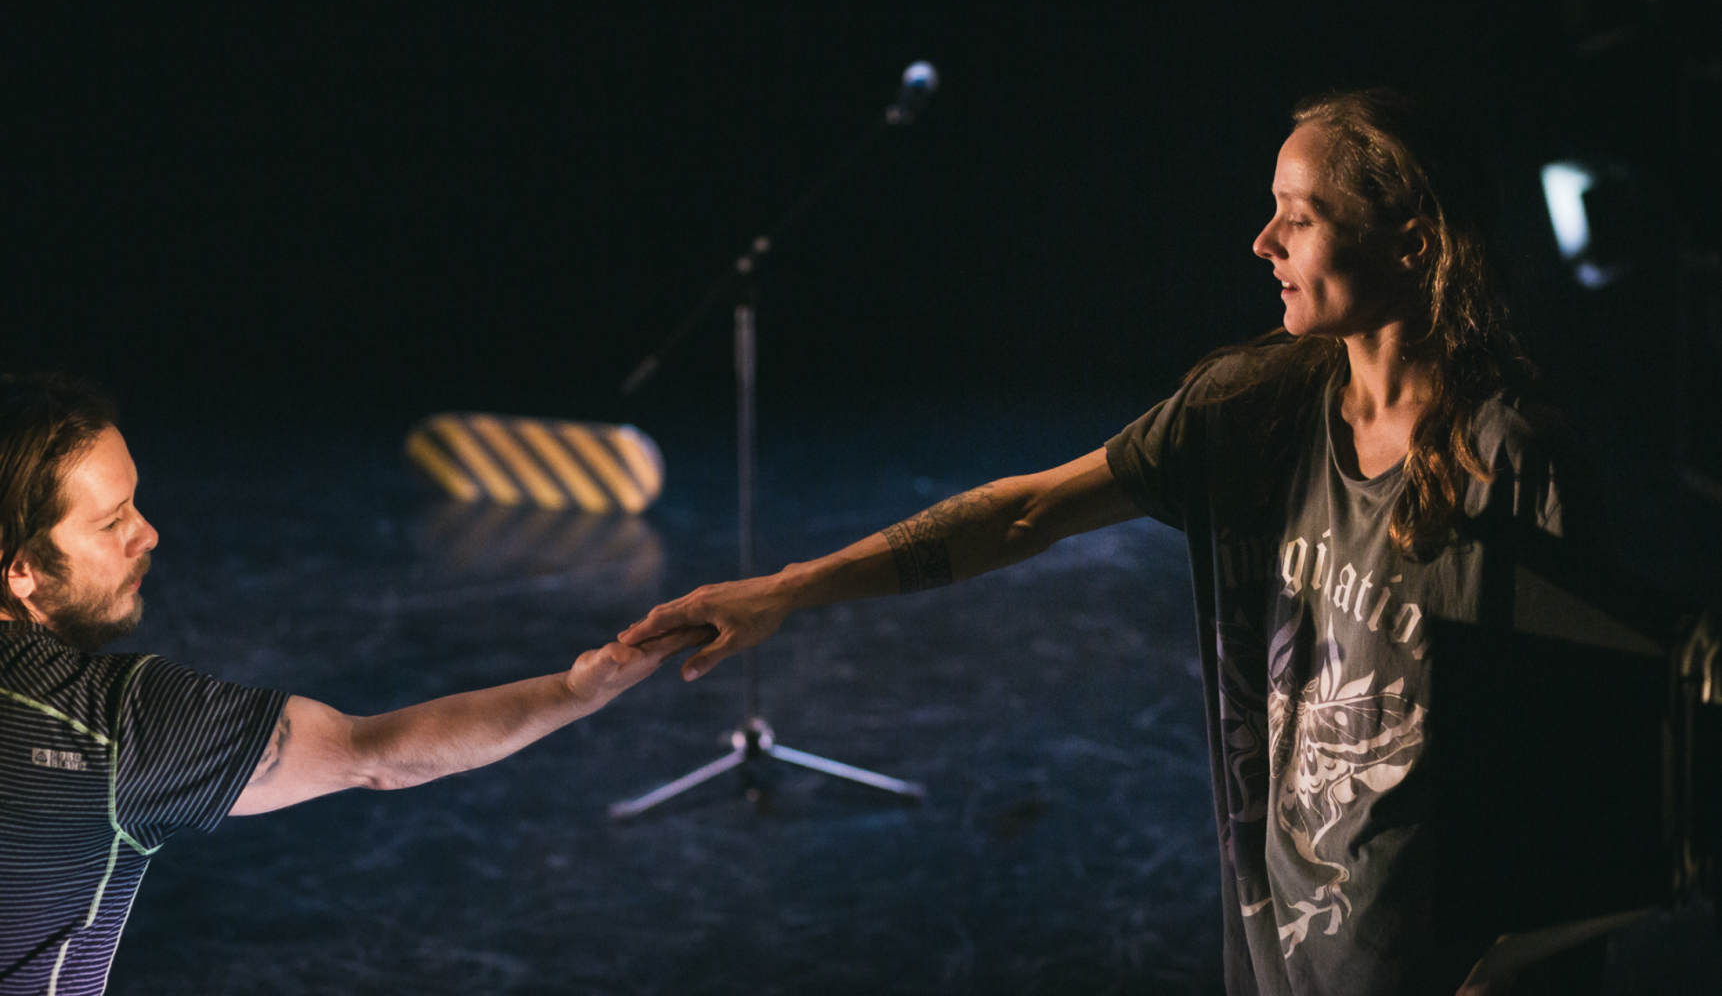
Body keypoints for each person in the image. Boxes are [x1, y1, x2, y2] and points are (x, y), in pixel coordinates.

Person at [621, 89, 1592, 995]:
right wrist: (788, 589)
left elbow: (1583, 784)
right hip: (1282, 956)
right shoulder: (1252, 407)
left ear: (1413, 244)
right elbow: (1024, 512)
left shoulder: (1513, 464)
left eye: (1299, 217)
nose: (1262, 242)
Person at [0, 374, 701, 996]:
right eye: (111, 521)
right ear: (21, 568)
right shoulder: (108, 723)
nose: (146, 533)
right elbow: (376, 754)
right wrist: (577, 694)